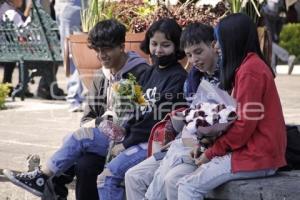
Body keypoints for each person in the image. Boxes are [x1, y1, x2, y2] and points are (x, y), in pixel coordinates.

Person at [2, 19, 149, 199]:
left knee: (81, 158)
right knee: (78, 155)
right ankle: (49, 187)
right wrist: (101, 123)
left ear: (121, 46)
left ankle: (44, 181)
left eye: (107, 49)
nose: (102, 55)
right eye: (98, 50)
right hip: (104, 137)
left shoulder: (141, 72)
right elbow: (87, 119)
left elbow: (145, 116)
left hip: (129, 141)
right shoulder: (101, 75)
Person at [175, 13, 287, 200]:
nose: (217, 47)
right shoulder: (247, 66)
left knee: (187, 187)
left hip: (257, 156)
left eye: (219, 41)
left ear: (232, 39)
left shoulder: (250, 70)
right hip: (255, 153)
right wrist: (208, 145)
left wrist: (211, 153)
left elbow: (243, 125)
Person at [125, 22, 220, 200]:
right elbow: (137, 108)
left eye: (198, 52)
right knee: (133, 176)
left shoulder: (225, 76)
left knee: (171, 179)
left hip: (202, 148)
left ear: (214, 46)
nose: (194, 60)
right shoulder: (192, 78)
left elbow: (230, 121)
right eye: (190, 55)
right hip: (181, 142)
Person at [96, 18, 187, 200]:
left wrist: (126, 143)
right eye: (154, 44)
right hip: (133, 138)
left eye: (166, 45)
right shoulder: (149, 72)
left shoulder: (178, 77)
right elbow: (137, 109)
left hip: (153, 143)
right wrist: (123, 128)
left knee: (107, 177)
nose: (158, 50)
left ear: (177, 47)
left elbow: (156, 118)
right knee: (85, 152)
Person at [54, 0, 84, 112]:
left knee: (70, 51)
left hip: (66, 5)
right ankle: (74, 97)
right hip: (69, 5)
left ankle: (74, 96)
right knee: (71, 51)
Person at [261, 0, 296, 74]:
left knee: (269, 41)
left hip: (268, 9)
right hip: (277, 10)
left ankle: (287, 57)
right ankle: (273, 68)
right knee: (273, 40)